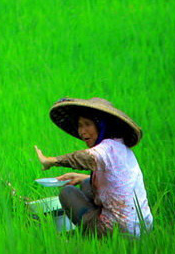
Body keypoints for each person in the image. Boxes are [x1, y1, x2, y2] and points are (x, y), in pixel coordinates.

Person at [34, 97, 153, 238]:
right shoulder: (120, 147)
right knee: (86, 183)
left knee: (68, 192)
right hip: (144, 226)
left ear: (101, 125)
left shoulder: (107, 148)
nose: (82, 131)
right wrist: (80, 177)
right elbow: (118, 181)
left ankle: (94, 237)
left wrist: (51, 161)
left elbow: (85, 158)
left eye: (88, 124)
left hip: (119, 230)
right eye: (80, 125)